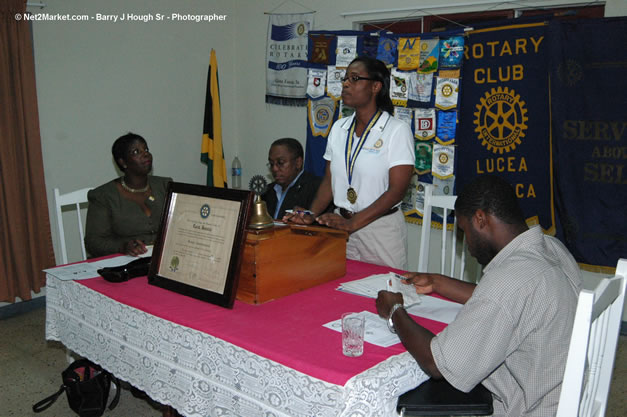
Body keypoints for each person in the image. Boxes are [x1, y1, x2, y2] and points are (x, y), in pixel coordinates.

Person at [376, 175, 583, 416]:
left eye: (464, 231)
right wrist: (438, 282)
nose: (467, 245)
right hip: (565, 393)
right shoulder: (551, 247)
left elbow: (437, 364)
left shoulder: (508, 281)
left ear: (480, 219)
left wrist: (394, 311)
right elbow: (510, 301)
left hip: (530, 408)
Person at [284, 56, 414, 269]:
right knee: (341, 293)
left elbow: (396, 191)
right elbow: (330, 181)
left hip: (379, 229)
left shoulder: (396, 131)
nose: (345, 83)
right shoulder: (339, 128)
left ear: (375, 86)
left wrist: (352, 224)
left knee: (384, 291)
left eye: (354, 78)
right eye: (345, 78)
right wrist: (310, 214)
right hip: (339, 225)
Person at [85, 133, 172, 257]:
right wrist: (123, 246)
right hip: (126, 261)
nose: (145, 154)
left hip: (164, 257)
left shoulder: (165, 185)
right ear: (123, 162)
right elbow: (94, 242)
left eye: (146, 149)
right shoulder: (103, 196)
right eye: (136, 152)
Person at [261, 138, 323, 219]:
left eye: (280, 163)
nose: (274, 169)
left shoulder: (318, 189)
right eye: (271, 164)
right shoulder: (267, 191)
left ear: (298, 163)